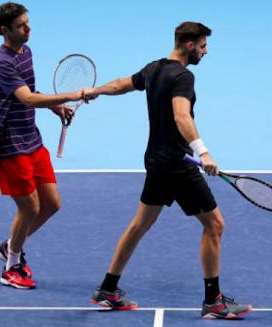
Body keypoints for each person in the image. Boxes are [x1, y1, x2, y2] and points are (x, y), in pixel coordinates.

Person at [84, 22, 252, 319]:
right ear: (189, 45)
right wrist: (204, 151)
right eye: (202, 45)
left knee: (139, 225)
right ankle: (213, 301)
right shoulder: (184, 76)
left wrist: (96, 90)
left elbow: (123, 83)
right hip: (177, 165)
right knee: (215, 225)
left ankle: (108, 289)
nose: (205, 51)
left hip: (156, 161)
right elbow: (181, 115)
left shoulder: (155, 68)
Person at [0, 2, 85, 289]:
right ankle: (11, 267)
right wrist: (70, 95)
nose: (28, 29)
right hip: (9, 144)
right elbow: (27, 100)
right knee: (29, 207)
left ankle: (10, 246)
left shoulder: (25, 52)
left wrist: (56, 107)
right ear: (5, 31)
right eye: (21, 25)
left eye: (28, 22)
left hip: (31, 137)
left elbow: (29, 91)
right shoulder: (2, 62)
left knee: (52, 204)